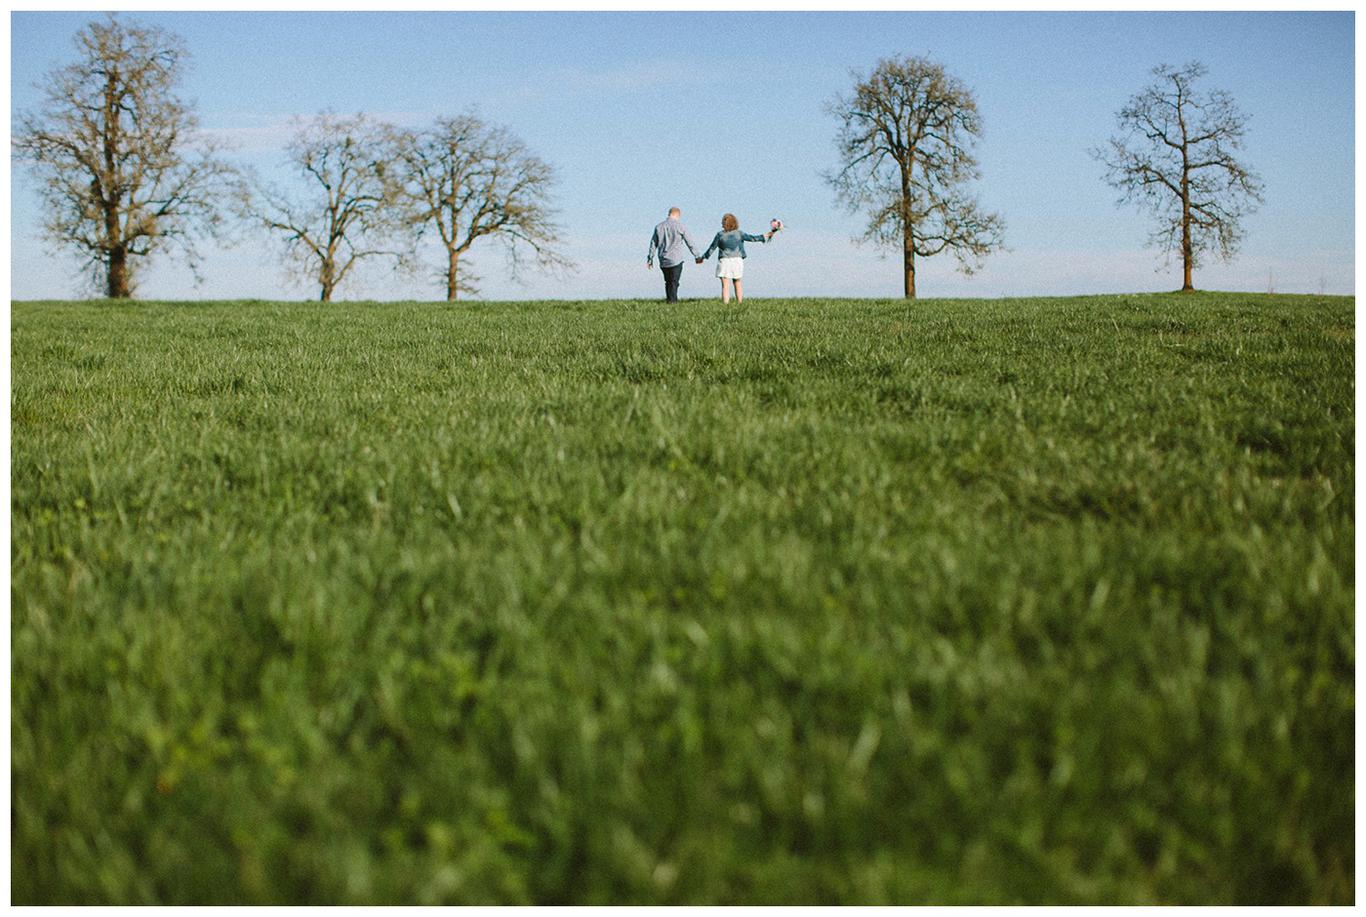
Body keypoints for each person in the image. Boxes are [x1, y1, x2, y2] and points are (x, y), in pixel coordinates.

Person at [696, 213, 773, 304]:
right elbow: (752, 238)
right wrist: (764, 236)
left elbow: (712, 248)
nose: (721, 224)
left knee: (725, 284)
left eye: (723, 222)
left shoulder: (720, 235)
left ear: (725, 224)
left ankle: (726, 303)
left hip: (724, 261)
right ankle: (739, 303)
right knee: (737, 282)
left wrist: (703, 258)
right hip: (737, 260)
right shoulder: (739, 233)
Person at [646, 207, 702, 303]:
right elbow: (690, 242)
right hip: (676, 259)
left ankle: (670, 300)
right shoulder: (680, 226)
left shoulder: (659, 227)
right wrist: (697, 256)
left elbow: (653, 244)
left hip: (663, 260)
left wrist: (650, 258)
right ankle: (672, 302)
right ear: (678, 215)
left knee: (668, 282)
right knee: (674, 282)